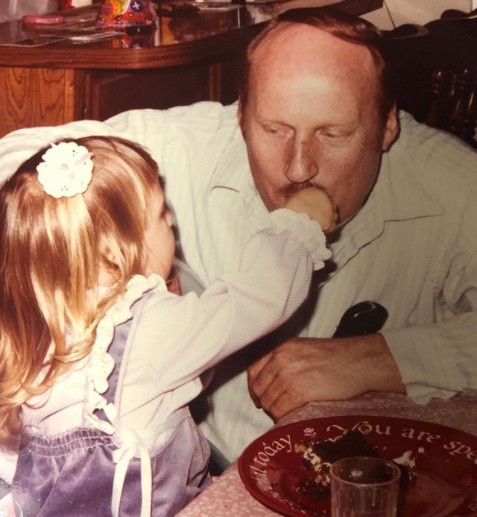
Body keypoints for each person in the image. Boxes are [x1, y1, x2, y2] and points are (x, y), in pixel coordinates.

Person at [0, 7, 477, 465]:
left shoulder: (455, 186)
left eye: (332, 135)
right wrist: (98, 269)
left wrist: (382, 359)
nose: (298, 167)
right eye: (274, 129)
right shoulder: (194, 143)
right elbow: (19, 161)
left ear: (387, 123)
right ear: (241, 115)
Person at [0, 135, 335, 516]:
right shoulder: (147, 330)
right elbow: (253, 300)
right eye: (160, 214)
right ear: (114, 253)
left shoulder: (31, 328)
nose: (172, 219)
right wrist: (298, 226)